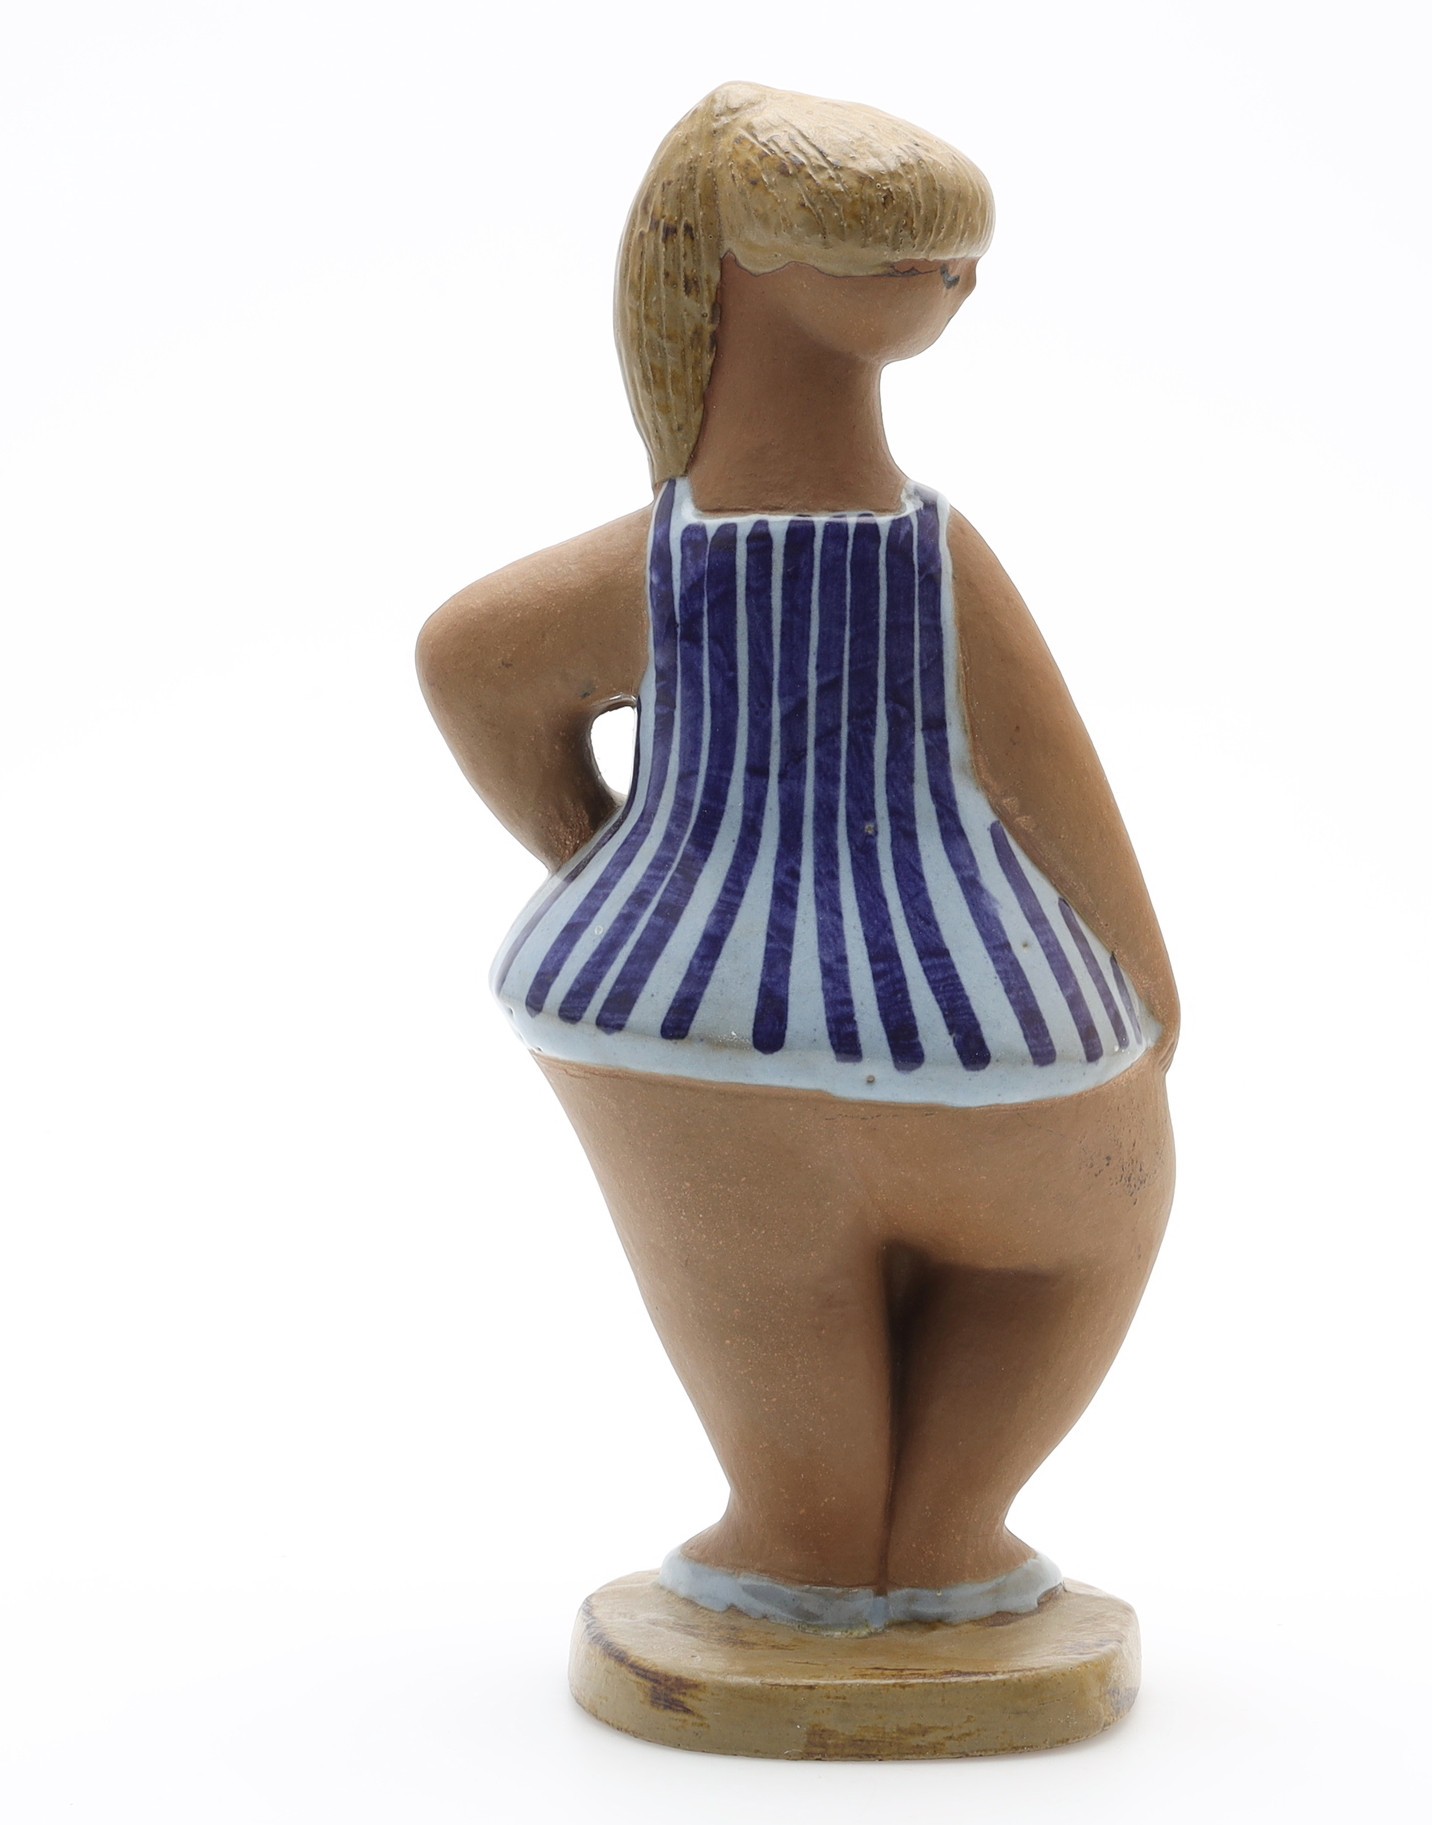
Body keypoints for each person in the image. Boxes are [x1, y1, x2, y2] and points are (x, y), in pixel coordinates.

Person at [418, 82, 1178, 1632]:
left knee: (777, 1362)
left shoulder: (657, 564)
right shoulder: (929, 555)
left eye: (960, 262)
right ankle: (940, 1550)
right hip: (989, 1040)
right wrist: (1150, 1001)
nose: (953, 283)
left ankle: (807, 1557)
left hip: (665, 1031)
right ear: (747, 261)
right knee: (1092, 1226)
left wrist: (616, 877)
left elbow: (474, 658)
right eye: (905, 255)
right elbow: (1058, 794)